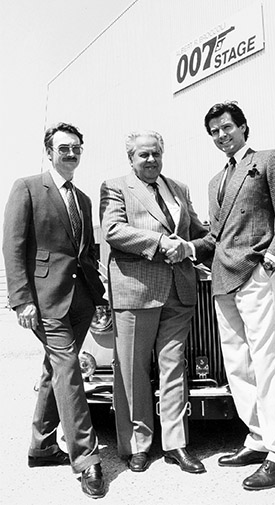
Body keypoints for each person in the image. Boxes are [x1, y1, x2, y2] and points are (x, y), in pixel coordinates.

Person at [202, 101, 275, 490]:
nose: (221, 135)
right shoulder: (216, 182)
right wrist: (182, 246)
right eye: (214, 131)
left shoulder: (266, 160)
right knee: (239, 366)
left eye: (227, 127)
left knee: (267, 364)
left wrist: (273, 258)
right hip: (222, 280)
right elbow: (215, 237)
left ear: (244, 127)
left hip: (255, 274)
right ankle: (258, 437)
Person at [3, 122, 108, 498]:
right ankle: (86, 458)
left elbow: (88, 254)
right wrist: (21, 298)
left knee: (54, 369)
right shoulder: (27, 187)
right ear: (49, 152)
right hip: (45, 300)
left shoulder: (82, 198)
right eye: (63, 148)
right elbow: (13, 246)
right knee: (68, 369)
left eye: (76, 147)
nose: (71, 153)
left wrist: (98, 299)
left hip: (80, 300)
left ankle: (42, 445)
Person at [99, 130, 210, 474]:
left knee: (174, 368)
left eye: (155, 154)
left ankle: (177, 444)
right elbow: (113, 230)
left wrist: (193, 247)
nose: (151, 160)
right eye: (143, 155)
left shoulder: (179, 188)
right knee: (132, 371)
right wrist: (161, 242)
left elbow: (195, 230)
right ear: (130, 158)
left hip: (179, 289)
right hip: (136, 290)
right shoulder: (115, 187)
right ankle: (138, 445)